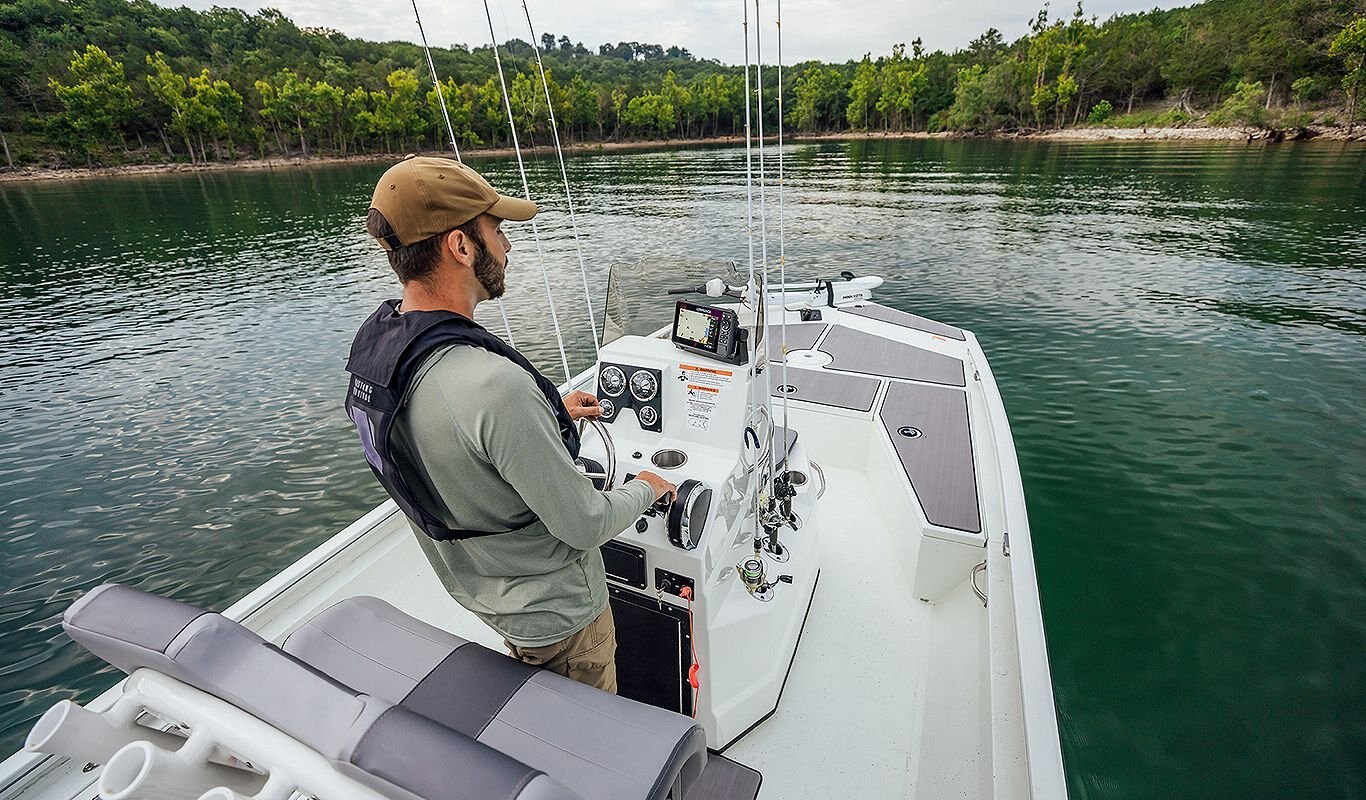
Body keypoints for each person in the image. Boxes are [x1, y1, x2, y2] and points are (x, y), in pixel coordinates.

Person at [344, 155, 675, 693]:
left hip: (485, 592)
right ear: (460, 246)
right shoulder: (494, 388)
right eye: (496, 229)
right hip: (560, 619)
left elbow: (450, 443)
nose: (507, 245)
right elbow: (586, 524)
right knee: (584, 732)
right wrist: (649, 487)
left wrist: (547, 415)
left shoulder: (382, 360)